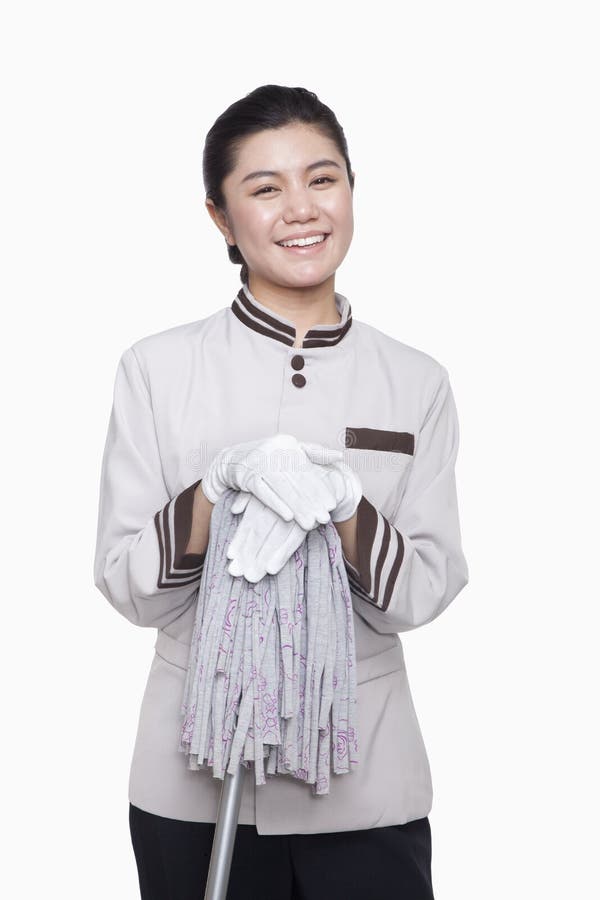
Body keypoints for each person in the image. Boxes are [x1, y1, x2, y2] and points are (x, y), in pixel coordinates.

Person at [93, 83, 469, 899]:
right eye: (265, 189)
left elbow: (426, 590)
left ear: (351, 189)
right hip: (190, 785)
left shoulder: (417, 382)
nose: (301, 208)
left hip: (365, 788)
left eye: (322, 178)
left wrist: (345, 509)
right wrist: (211, 492)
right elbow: (129, 587)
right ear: (221, 220)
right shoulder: (156, 371)